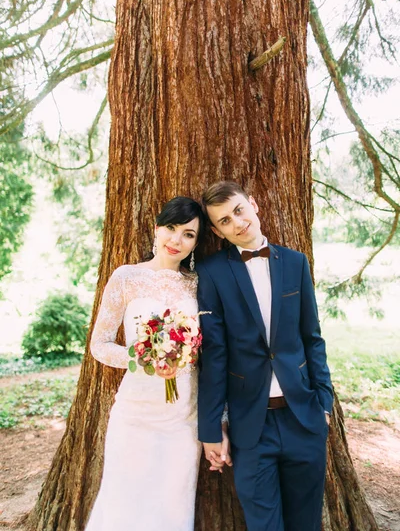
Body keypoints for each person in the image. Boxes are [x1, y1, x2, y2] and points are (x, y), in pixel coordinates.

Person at [197, 181, 333, 531]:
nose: (237, 223)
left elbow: (312, 338)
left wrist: (325, 403)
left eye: (239, 210)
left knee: (306, 523)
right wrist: (211, 427)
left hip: (303, 417)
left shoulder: (295, 262)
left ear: (253, 205)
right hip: (250, 427)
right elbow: (214, 356)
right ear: (216, 231)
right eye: (225, 221)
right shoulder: (211, 272)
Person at [86, 196, 212, 531]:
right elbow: (99, 345)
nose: (176, 240)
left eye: (188, 234)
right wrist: (141, 357)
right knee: (123, 504)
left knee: (172, 508)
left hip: (183, 417)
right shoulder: (126, 278)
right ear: (156, 229)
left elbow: (208, 353)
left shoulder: (197, 284)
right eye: (171, 228)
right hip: (135, 413)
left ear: (196, 243)